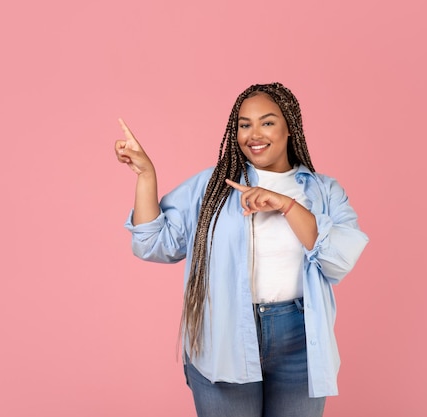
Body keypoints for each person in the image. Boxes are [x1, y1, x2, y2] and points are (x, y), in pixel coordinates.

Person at [114, 82, 368, 417]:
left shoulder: (323, 191)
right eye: (244, 125)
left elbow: (338, 260)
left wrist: (287, 205)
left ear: (289, 126)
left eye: (267, 122)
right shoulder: (212, 187)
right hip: (224, 333)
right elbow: (151, 243)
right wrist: (146, 175)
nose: (254, 134)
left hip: (300, 339)